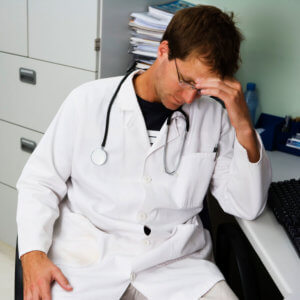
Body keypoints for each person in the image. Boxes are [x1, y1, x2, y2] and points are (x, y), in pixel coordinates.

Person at [16, 5, 271, 300]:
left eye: (202, 90)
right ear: (164, 51)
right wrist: (32, 255)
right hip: (89, 264)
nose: (190, 97)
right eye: (186, 81)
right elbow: (39, 182)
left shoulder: (213, 118)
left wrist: (242, 124)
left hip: (177, 267)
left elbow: (248, 205)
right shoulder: (87, 102)